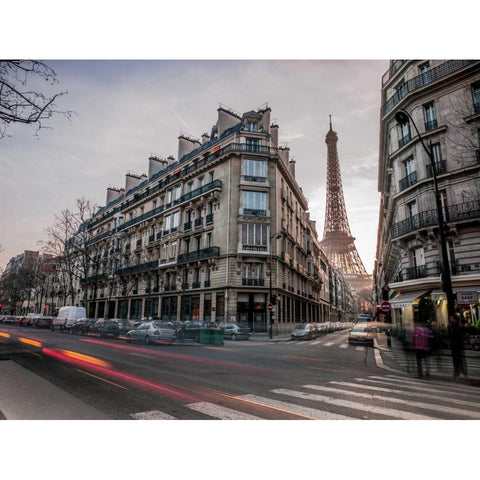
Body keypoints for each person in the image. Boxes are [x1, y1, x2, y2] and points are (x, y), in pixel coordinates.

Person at [448, 314, 468, 379]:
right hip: (453, 345)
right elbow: (450, 335)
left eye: (451, 318)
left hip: (458, 345)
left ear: (455, 319)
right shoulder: (450, 326)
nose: (450, 320)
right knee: (455, 359)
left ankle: (463, 372)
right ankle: (457, 372)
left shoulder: (458, 326)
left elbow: (460, 335)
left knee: (460, 359)